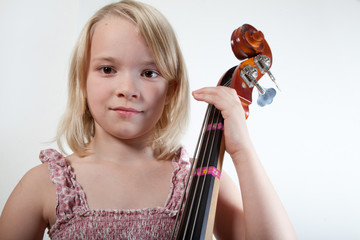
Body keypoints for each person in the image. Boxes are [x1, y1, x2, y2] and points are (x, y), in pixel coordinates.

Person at [0, 0, 297, 239]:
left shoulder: (201, 180)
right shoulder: (46, 184)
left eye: (149, 73)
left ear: (172, 89)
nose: (128, 90)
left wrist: (242, 152)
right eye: (107, 69)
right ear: (82, 81)